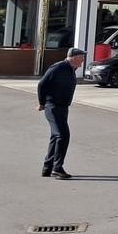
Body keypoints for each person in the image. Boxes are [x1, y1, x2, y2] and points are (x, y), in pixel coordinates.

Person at [37, 47, 85, 179]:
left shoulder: (71, 69)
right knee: (63, 135)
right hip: (53, 106)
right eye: (81, 58)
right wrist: (42, 102)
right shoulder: (58, 67)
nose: (82, 62)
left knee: (55, 136)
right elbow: (42, 84)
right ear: (75, 57)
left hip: (63, 107)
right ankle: (57, 168)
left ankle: (48, 167)